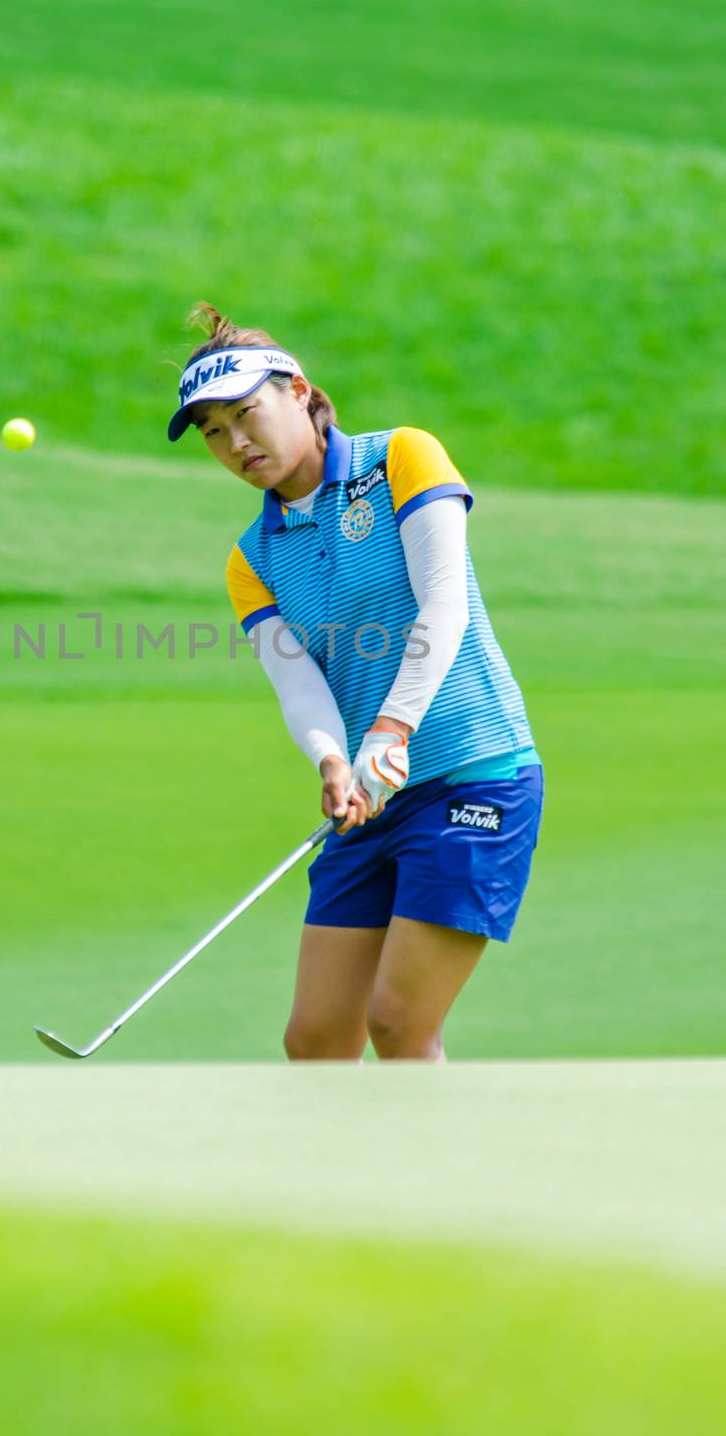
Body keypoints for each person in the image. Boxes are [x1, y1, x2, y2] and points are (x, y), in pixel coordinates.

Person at [167, 303, 544, 1063]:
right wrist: (333, 762)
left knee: (399, 1025)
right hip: (372, 797)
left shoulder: (402, 457)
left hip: (474, 779)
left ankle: (447, 1178)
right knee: (316, 1039)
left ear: (299, 392)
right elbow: (298, 685)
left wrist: (393, 728)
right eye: (212, 431)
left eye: (247, 414)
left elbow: (445, 604)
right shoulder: (252, 559)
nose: (236, 443)